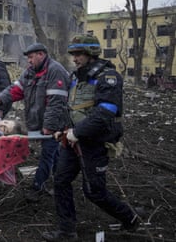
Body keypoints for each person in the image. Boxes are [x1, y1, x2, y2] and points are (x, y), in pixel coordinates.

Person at [42, 34, 139, 241]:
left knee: (94, 192)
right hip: (72, 142)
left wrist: (77, 132)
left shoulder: (108, 77)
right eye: (74, 54)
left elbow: (106, 112)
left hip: (94, 143)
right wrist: (62, 129)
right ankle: (67, 231)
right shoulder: (76, 77)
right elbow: (71, 107)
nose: (75, 58)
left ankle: (130, 219)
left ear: (91, 53)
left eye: (79, 54)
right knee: (60, 180)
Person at [0, 43, 70, 202]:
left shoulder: (56, 71)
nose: (29, 61)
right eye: (28, 58)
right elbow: (15, 90)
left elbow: (56, 103)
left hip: (55, 125)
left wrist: (49, 127)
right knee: (55, 154)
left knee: (47, 154)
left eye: (31, 57)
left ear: (41, 54)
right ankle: (59, 181)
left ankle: (37, 187)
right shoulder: (30, 73)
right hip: (38, 122)